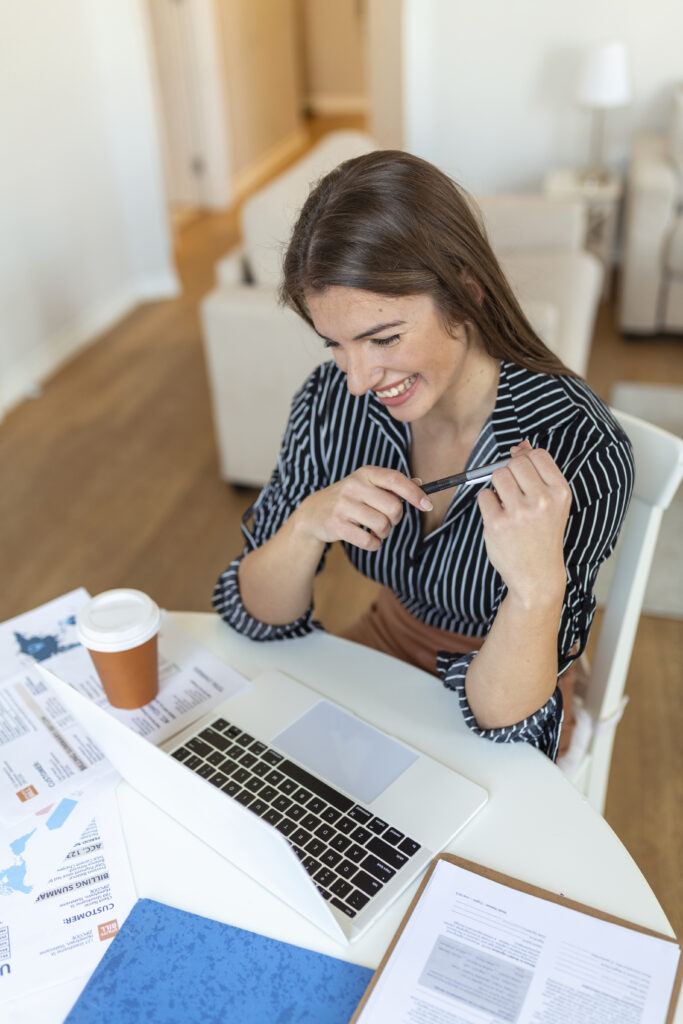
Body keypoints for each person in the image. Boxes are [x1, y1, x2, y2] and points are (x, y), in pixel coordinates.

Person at [213, 150, 634, 761]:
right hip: (383, 647)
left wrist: (538, 587)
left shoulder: (580, 446)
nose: (358, 378)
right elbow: (254, 614)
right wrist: (307, 523)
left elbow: (507, 721)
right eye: (336, 344)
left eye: (383, 339)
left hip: (508, 681)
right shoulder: (334, 401)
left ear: (464, 292)